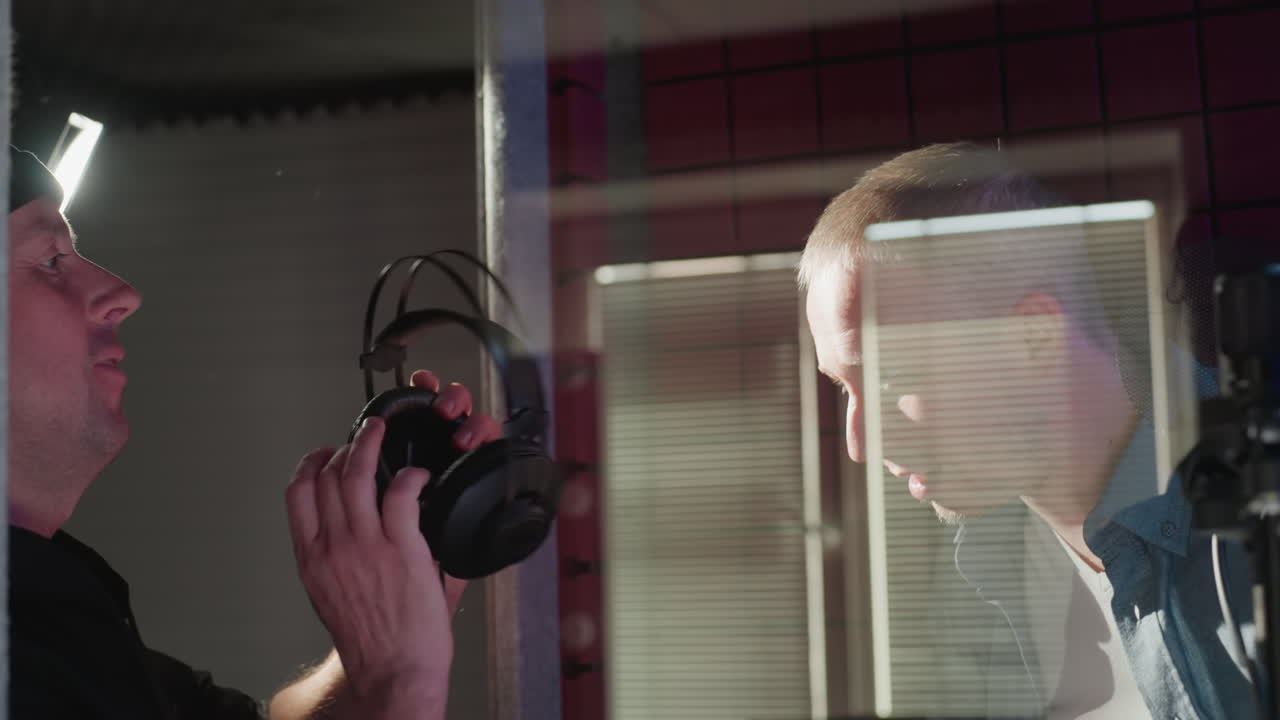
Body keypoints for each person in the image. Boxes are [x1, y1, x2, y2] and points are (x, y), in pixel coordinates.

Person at [7, 145, 499, 720]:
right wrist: (403, 687)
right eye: (50, 260)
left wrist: (392, 634)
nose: (124, 294)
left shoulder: (59, 612)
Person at [799, 142, 1258, 719]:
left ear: (1034, 338)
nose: (860, 444)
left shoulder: (1255, 514)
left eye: (891, 375)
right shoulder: (974, 574)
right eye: (844, 387)